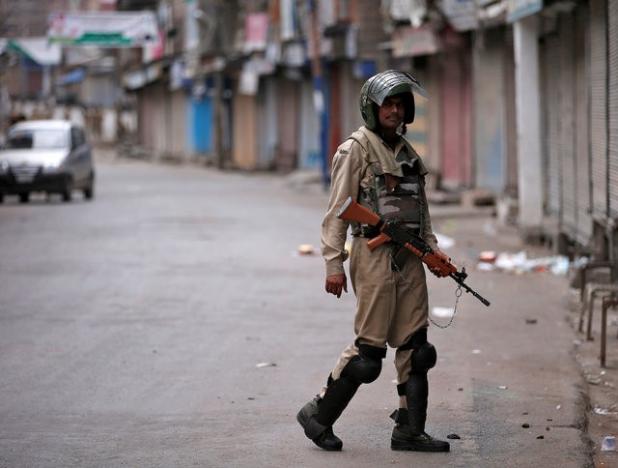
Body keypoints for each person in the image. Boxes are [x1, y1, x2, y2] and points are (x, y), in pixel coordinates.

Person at [297, 70, 451, 453]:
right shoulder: (356, 149)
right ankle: (317, 414)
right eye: (388, 104)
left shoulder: (407, 153)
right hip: (373, 255)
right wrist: (333, 264)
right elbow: (338, 212)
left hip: (410, 258)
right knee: (368, 357)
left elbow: (421, 214)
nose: (395, 111)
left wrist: (433, 252)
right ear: (372, 107)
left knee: (418, 350)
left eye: (401, 104)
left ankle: (409, 430)